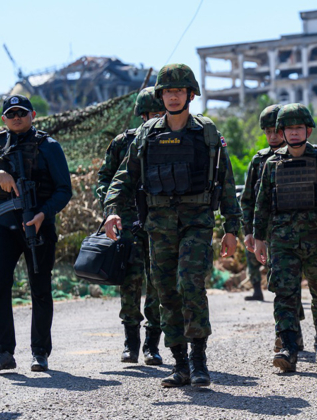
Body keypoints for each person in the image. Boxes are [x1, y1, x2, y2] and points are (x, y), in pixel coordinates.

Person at [103, 64, 241, 388]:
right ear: (161, 96)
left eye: (179, 91)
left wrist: (231, 228)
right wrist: (111, 210)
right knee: (165, 291)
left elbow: (225, 180)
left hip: (196, 222)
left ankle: (198, 359)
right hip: (159, 225)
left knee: (190, 283)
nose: (174, 96)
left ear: (190, 94)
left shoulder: (207, 132)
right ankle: (180, 363)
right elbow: (124, 177)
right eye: (168, 91)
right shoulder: (146, 134)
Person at [0, 94, 72, 372]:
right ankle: (3, 352)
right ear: (4, 119)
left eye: (22, 112)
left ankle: (40, 352)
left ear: (33, 115)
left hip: (38, 225)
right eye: (11, 114)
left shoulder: (48, 146)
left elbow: (64, 189)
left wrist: (43, 213)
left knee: (40, 288)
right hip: (4, 227)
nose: (16, 117)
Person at [252, 104, 317, 372]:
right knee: (284, 293)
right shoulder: (272, 163)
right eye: (288, 128)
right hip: (282, 241)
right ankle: (289, 346)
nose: (293, 133)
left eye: (298, 128)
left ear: (308, 130)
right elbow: (262, 203)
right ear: (282, 132)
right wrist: (259, 238)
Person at [96, 87, 164, 365]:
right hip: (128, 223)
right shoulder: (124, 143)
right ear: (142, 114)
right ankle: (131, 342)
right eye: (152, 113)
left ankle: (152, 344)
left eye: (161, 112)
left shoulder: (172, 141)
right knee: (130, 281)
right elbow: (105, 179)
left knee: (158, 283)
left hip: (160, 221)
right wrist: (112, 208)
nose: (157, 117)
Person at [241, 104, 283, 302]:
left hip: (286, 228)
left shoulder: (298, 157)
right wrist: (248, 231)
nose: (272, 136)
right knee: (253, 259)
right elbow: (248, 198)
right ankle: (257, 289)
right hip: (261, 226)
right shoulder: (258, 160)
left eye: (276, 131)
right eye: (268, 132)